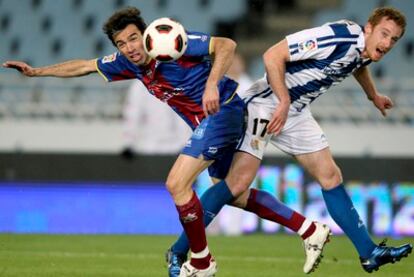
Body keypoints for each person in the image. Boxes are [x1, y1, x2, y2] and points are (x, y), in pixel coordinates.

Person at [4, 7, 328, 277]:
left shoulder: (175, 43)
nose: (130, 47)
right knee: (236, 195)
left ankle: (202, 261)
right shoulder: (128, 64)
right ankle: (309, 229)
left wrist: (212, 84)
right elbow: (85, 66)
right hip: (211, 123)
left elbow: (226, 44)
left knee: (176, 183)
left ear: (146, 35)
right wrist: (36, 73)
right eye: (122, 43)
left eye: (133, 38)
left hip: (224, 111)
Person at [167, 6, 412, 275]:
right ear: (368, 28)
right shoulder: (336, 36)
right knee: (236, 185)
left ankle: (369, 253)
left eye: (394, 39)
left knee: (331, 176)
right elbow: (273, 55)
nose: (388, 43)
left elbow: (358, 64)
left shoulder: (363, 49)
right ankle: (178, 251)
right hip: (267, 103)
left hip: (295, 111)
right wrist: (283, 101)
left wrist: (373, 96)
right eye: (385, 34)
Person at [120, 79, 191, 159]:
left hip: (176, 147)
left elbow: (184, 114)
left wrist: (185, 144)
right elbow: (132, 115)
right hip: (150, 147)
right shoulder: (140, 85)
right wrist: (129, 143)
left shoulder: (177, 81)